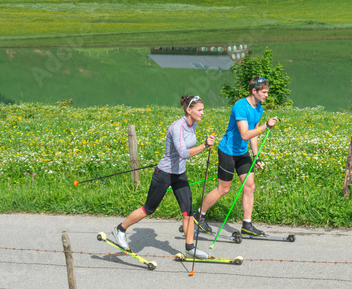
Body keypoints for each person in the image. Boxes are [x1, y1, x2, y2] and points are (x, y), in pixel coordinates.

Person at [112, 95, 215, 258]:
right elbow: (182, 153)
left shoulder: (192, 124)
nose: (203, 113)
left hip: (179, 174)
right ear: (189, 110)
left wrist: (204, 143)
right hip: (164, 173)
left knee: (187, 211)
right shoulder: (177, 127)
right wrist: (204, 145)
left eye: (203, 110)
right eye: (199, 110)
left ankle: (190, 248)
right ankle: (120, 229)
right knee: (149, 209)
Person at [194, 76, 278, 237]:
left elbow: (253, 135)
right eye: (264, 92)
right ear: (254, 91)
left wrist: (256, 156)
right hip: (228, 151)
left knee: (249, 186)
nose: (267, 95)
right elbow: (245, 134)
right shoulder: (240, 106)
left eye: (267, 92)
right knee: (223, 189)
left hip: (242, 152)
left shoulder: (258, 108)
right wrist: (265, 126)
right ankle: (199, 215)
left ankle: (247, 225)